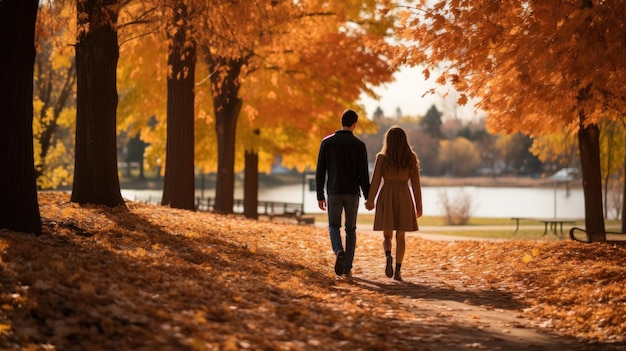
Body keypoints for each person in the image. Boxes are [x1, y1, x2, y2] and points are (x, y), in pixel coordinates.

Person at [316, 109, 370, 277]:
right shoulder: (359, 145)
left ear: (341, 122)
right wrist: (368, 196)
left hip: (334, 191)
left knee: (333, 226)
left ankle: (339, 250)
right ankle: (347, 268)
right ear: (355, 125)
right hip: (353, 193)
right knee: (351, 230)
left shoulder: (327, 143)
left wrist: (320, 195)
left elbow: (320, 171)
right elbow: (363, 174)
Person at [365, 126, 423, 281]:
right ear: (404, 141)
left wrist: (370, 200)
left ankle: (388, 255)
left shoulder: (382, 158)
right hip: (404, 196)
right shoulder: (410, 158)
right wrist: (419, 206)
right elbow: (416, 186)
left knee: (387, 235)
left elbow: (375, 181)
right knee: (401, 236)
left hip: (387, 195)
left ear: (388, 141)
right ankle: (398, 271)